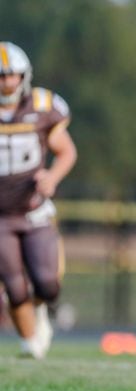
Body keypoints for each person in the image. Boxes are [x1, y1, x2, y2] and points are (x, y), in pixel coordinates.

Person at [0, 42, 77, 359]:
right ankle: (30, 343)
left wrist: (52, 177)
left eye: (12, 76)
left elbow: (66, 151)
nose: (6, 83)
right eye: (1, 76)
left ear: (24, 77)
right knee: (15, 286)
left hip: (33, 210)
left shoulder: (43, 106)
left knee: (48, 284)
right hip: (0, 216)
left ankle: (41, 314)